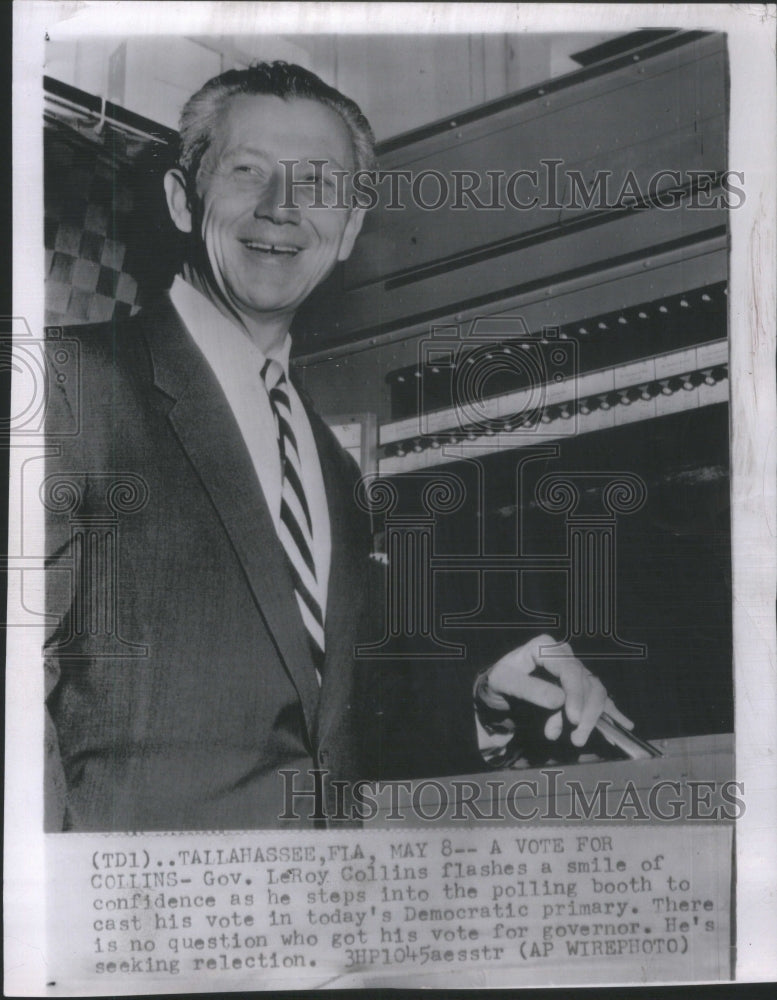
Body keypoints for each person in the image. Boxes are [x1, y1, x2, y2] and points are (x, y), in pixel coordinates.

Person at [44, 62, 631, 831]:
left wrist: (488, 693)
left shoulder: (330, 467)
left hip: (321, 920)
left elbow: (327, 733)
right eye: (248, 171)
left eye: (318, 185)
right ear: (183, 200)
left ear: (350, 227)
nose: (281, 209)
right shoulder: (64, 383)